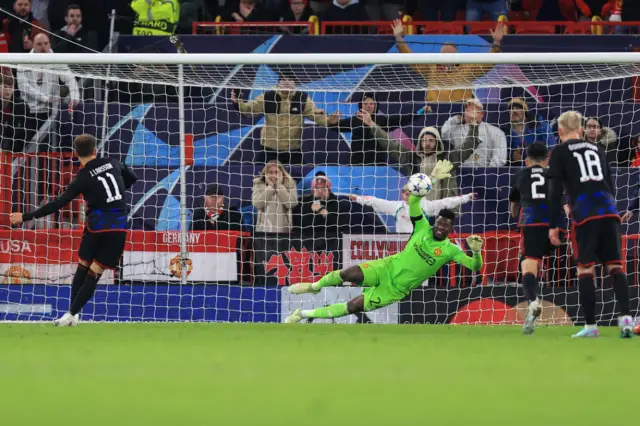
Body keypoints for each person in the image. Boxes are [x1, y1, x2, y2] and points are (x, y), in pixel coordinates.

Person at [9, 134, 138, 326]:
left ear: (76, 155)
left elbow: (58, 203)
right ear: (95, 150)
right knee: (94, 274)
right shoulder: (113, 162)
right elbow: (132, 178)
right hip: (118, 227)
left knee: (82, 267)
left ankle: (71, 314)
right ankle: (72, 314)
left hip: (96, 228)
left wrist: (25, 217)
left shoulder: (82, 177)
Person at [284, 202, 483, 323]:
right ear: (435, 222)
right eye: (439, 223)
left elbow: (475, 267)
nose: (440, 227)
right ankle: (314, 286)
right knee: (346, 274)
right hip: (386, 267)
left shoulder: (450, 250)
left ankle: (302, 314)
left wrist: (476, 253)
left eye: (445, 226)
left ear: (450, 229)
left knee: (353, 306)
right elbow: (414, 202)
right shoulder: (422, 227)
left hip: (396, 289)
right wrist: (427, 181)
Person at [547, 110, 633, 338]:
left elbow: (554, 191)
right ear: (582, 130)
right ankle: (626, 321)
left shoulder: (559, 151)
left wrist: (554, 223)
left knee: (585, 268)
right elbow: (610, 183)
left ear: (560, 131)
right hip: (609, 211)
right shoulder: (598, 149)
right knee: (616, 267)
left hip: (585, 215)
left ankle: (590, 326)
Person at [357, 110, 480, 204]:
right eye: (424, 140)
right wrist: (371, 124)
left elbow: (467, 148)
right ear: (420, 142)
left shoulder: (447, 159)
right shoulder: (410, 158)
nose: (427, 144)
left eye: (431, 141)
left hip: (442, 210)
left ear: (437, 143)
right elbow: (389, 143)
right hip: (417, 209)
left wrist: (474, 125)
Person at [508, 143, 567, 334]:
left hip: (532, 223)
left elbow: (514, 208)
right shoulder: (554, 174)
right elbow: (563, 200)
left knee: (528, 265)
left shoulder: (520, 175)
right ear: (546, 159)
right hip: (557, 225)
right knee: (581, 265)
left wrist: (515, 212)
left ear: (526, 160)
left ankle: (533, 301)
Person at [391, 19, 504, 102]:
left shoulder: (468, 68)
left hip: (461, 113)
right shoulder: (430, 68)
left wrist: (496, 43)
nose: (447, 58)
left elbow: (488, 63)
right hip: (434, 111)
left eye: (451, 55)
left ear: (457, 56)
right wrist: (399, 39)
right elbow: (411, 59)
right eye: (444, 55)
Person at [232, 75, 334, 165]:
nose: (287, 82)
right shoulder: (268, 96)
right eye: (283, 79)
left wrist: (329, 120)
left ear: (295, 83)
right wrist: (238, 103)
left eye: (290, 79)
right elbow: (248, 110)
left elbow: (315, 114)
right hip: (269, 151)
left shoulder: (302, 98)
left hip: (293, 151)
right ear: (278, 83)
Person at [15, 33, 80, 152]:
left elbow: (69, 77)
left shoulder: (56, 59)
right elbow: (23, 86)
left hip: (51, 110)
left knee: (51, 145)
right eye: (39, 44)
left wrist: (75, 95)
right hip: (29, 111)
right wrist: (44, 98)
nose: (43, 47)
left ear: (50, 43)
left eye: (46, 43)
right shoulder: (23, 61)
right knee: (29, 145)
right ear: (33, 45)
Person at [327, 93, 427, 165]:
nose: (368, 106)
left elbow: (402, 119)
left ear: (375, 106)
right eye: (365, 103)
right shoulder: (354, 120)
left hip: (378, 164)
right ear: (361, 106)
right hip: (356, 163)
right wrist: (331, 122)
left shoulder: (382, 120)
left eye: (371, 104)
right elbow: (336, 127)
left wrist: (421, 112)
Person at [350, 185, 476, 233]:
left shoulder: (426, 206)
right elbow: (375, 201)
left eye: (409, 193)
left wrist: (467, 197)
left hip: (421, 244)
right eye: (404, 193)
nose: (406, 196)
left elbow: (447, 202)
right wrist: (358, 198)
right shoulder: (397, 207)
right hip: (402, 245)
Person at [442, 99, 507, 167]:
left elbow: (500, 158)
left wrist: (487, 172)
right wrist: (456, 119)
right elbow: (444, 134)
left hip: (484, 172)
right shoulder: (457, 130)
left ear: (482, 114)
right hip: (460, 173)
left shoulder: (495, 132)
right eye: (467, 109)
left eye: (474, 109)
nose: (470, 111)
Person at [501, 98, 556, 166]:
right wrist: (511, 155)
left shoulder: (541, 126)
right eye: (511, 109)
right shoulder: (504, 131)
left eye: (517, 108)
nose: (513, 111)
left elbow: (552, 148)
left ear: (525, 111)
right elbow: (499, 153)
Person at [252, 160, 299, 233]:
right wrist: (270, 187)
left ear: (282, 173)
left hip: (284, 230)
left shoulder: (290, 184)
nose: (273, 175)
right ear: (265, 174)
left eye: (276, 172)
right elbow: (258, 204)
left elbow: (291, 204)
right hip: (263, 231)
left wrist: (279, 186)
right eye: (270, 172)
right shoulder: (259, 184)